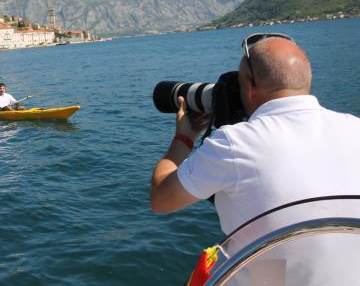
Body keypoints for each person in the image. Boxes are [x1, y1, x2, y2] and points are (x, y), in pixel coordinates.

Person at [150, 33, 360, 283]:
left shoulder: (235, 143)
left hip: (271, 276)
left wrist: (183, 139)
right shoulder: (354, 126)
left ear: (249, 84)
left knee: (264, 266)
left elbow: (162, 199)